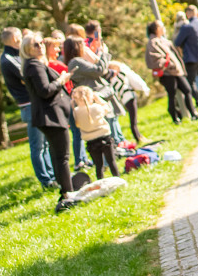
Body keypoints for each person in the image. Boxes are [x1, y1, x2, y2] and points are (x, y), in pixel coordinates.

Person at [20, 31, 76, 213]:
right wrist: (61, 80)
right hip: (50, 115)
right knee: (62, 157)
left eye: (42, 42)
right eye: (36, 44)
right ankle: (68, 193)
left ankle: (66, 191)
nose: (41, 46)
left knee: (59, 156)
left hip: (51, 115)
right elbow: (45, 91)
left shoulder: (35, 64)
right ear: (27, 49)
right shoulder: (34, 66)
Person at [0, 27, 55, 188]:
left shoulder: (15, 56)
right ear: (15, 39)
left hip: (34, 104)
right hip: (29, 106)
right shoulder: (8, 58)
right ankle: (46, 180)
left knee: (44, 144)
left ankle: (52, 176)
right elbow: (27, 76)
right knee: (37, 146)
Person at [63, 35, 128, 153]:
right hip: (95, 98)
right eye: (82, 45)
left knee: (112, 122)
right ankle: (112, 152)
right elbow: (98, 70)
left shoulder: (79, 60)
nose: (85, 47)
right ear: (76, 47)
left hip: (98, 95)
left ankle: (117, 149)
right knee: (107, 126)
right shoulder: (75, 62)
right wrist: (104, 54)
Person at [44, 36, 88, 169]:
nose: (58, 50)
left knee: (76, 131)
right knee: (76, 131)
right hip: (66, 98)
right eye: (55, 47)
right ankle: (80, 160)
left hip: (65, 98)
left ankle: (82, 158)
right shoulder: (52, 65)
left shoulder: (50, 64)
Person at [145, 20, 198, 123]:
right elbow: (152, 59)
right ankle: (175, 117)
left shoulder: (163, 40)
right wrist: (167, 64)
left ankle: (193, 113)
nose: (163, 28)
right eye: (161, 26)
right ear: (156, 29)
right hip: (167, 73)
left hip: (176, 71)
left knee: (187, 89)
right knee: (172, 94)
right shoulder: (152, 42)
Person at [71, 86, 120, 180]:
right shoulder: (96, 108)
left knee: (98, 165)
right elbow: (107, 108)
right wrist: (98, 99)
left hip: (90, 142)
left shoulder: (75, 111)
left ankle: (100, 180)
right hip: (104, 138)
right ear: (90, 97)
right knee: (111, 161)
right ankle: (117, 178)